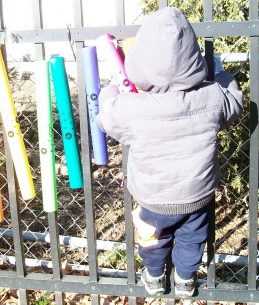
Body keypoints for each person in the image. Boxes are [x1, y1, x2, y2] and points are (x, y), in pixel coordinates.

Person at [96, 7, 243, 298]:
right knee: (193, 238)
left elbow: (107, 115)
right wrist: (219, 71)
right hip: (197, 195)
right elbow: (233, 101)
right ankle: (186, 280)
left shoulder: (131, 109)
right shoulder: (212, 97)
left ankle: (153, 276)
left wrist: (113, 89)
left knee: (153, 240)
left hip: (153, 198)